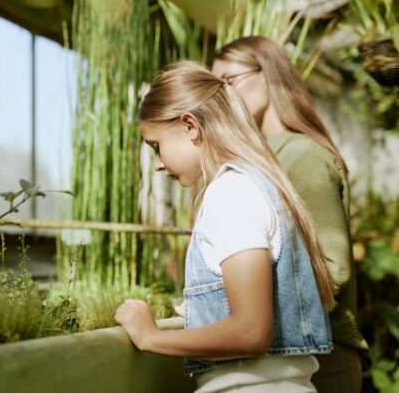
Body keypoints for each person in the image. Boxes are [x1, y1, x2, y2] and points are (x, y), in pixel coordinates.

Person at [115, 61, 335, 392]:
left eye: (156, 146)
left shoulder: (231, 193)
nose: (158, 164)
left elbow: (251, 332)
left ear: (191, 125)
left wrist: (151, 336)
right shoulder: (253, 185)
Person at [212, 35, 370, 393]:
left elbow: (334, 269)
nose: (222, 96)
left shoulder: (302, 156)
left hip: (323, 360)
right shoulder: (268, 161)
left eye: (228, 82)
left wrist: (244, 310)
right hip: (294, 357)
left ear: (268, 74)